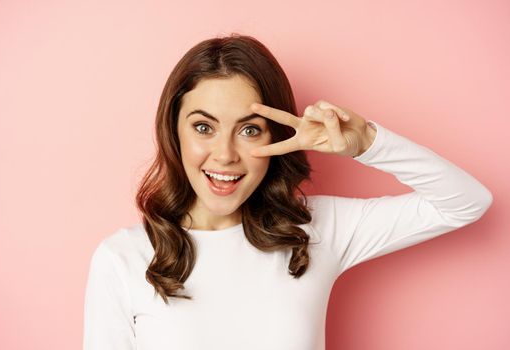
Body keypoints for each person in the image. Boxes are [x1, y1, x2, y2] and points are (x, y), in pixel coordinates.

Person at [83, 34, 493, 350]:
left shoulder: (314, 231)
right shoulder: (123, 259)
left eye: (249, 130)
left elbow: (465, 202)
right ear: (173, 130)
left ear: (277, 136)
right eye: (204, 127)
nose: (225, 155)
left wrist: (367, 141)